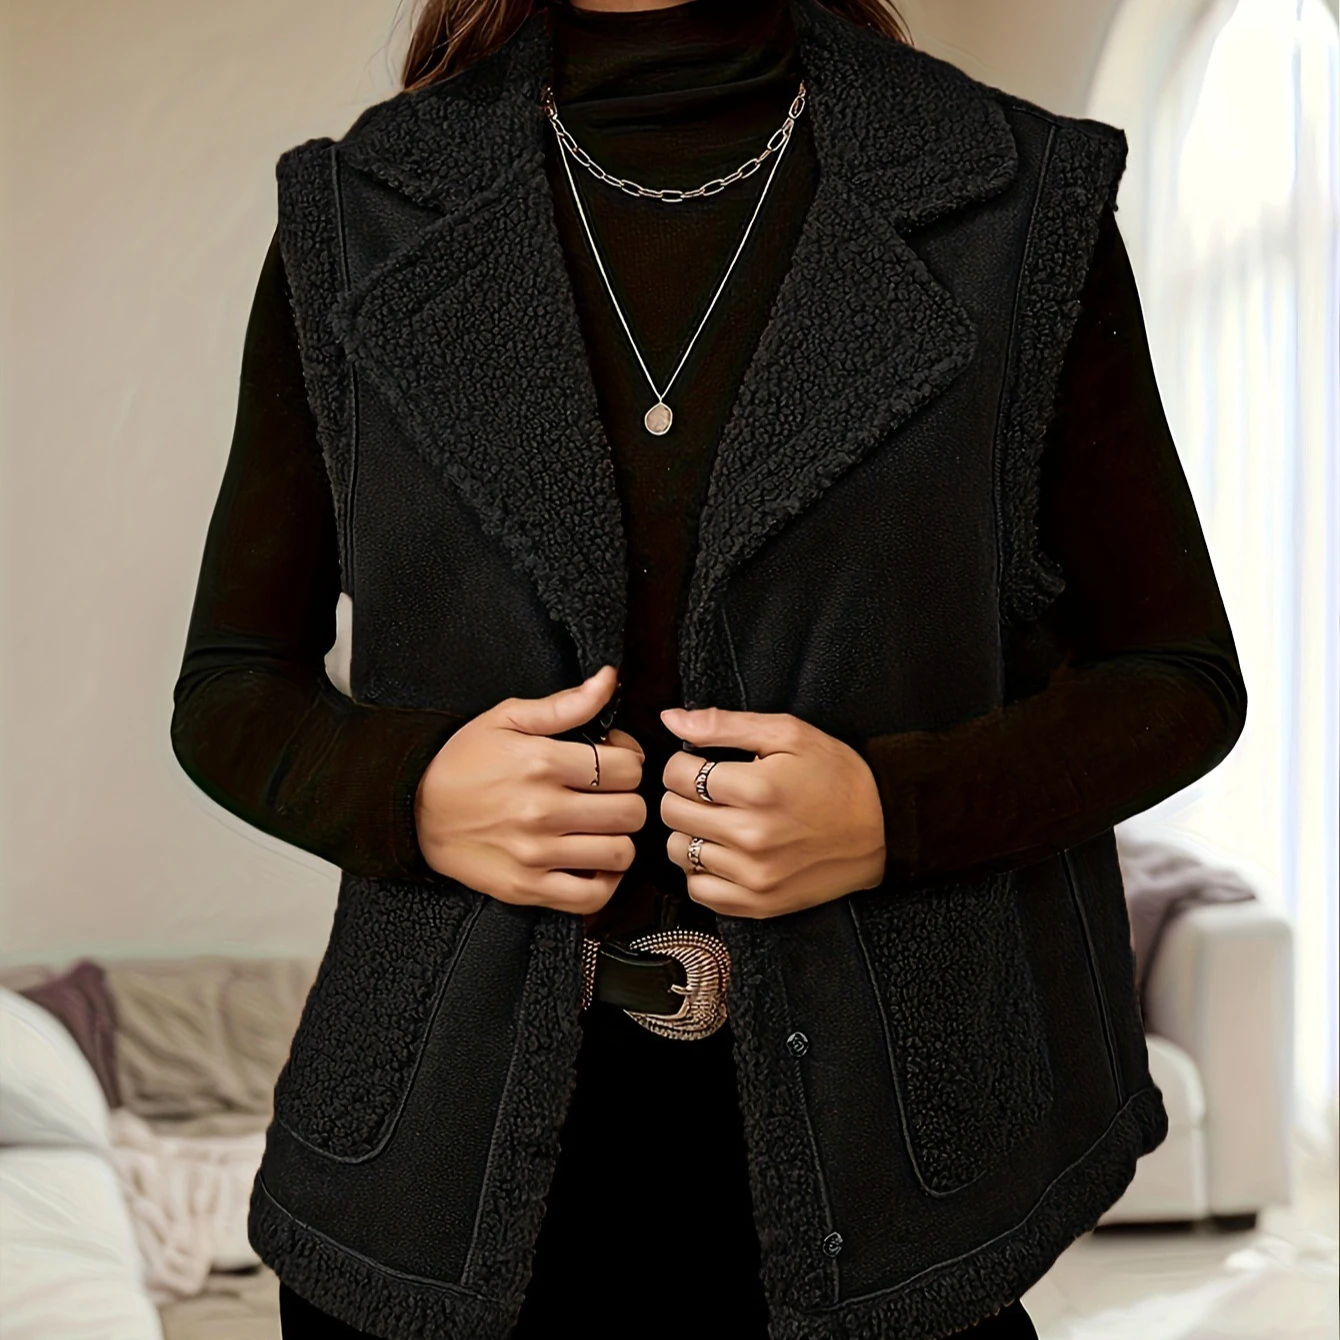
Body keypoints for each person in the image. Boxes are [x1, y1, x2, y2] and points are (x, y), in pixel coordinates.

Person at [170, 0, 1247, 1336]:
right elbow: (231, 686)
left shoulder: (1019, 205)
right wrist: (417, 795)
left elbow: (1178, 674)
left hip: (896, 1190)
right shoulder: (356, 215)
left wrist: (895, 814)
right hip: (429, 1181)